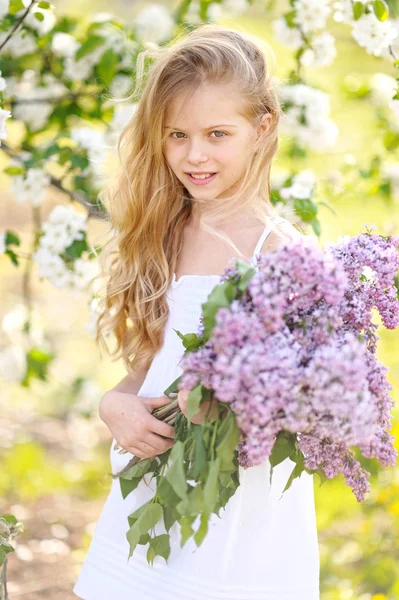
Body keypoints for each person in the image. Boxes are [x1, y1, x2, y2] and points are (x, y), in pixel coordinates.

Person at [73, 23, 320, 600]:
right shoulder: (163, 233)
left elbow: (309, 405)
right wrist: (115, 404)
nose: (195, 154)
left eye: (217, 133)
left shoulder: (282, 255)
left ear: (262, 129)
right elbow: (144, 367)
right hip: (154, 494)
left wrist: (228, 403)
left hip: (237, 513)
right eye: (177, 135)